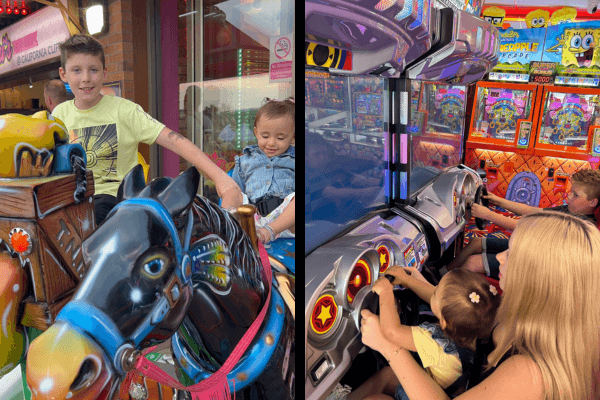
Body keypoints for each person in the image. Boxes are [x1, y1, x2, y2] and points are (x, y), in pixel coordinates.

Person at [360, 212, 600, 400]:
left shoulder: (531, 371)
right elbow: (463, 310)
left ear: (540, 279)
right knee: (389, 377)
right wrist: (412, 282)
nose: (500, 258)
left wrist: (388, 347)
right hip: (466, 382)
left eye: (512, 253)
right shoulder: (528, 318)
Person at [52, 34, 242, 225]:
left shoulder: (124, 110)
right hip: (72, 201)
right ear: (63, 74)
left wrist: (219, 177)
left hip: (117, 201)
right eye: (76, 70)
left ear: (104, 73)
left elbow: (173, 139)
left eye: (93, 69)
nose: (85, 78)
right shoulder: (58, 115)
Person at [329, 267, 500, 400]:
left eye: (438, 288)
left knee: (375, 399)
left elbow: (391, 332)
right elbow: (436, 297)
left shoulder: (434, 342)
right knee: (389, 374)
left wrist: (386, 293)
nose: (434, 289)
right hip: (447, 388)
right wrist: (407, 280)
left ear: (445, 321)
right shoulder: (476, 328)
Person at [444, 168, 600, 279]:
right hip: (531, 250)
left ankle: (451, 300)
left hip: (539, 266)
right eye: (571, 191)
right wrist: (498, 201)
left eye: (576, 195)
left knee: (473, 263)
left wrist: (488, 215)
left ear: (593, 202)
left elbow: (526, 226)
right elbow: (532, 211)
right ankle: (444, 273)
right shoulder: (570, 209)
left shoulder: (581, 227)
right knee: (476, 242)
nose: (569, 196)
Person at [231, 97, 295, 244]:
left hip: (285, 221)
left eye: (280, 138)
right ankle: (226, 225)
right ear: (256, 132)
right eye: (265, 136)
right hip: (254, 218)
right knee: (234, 192)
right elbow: (235, 189)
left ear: (293, 138)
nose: (271, 143)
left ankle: (269, 231)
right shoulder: (245, 160)